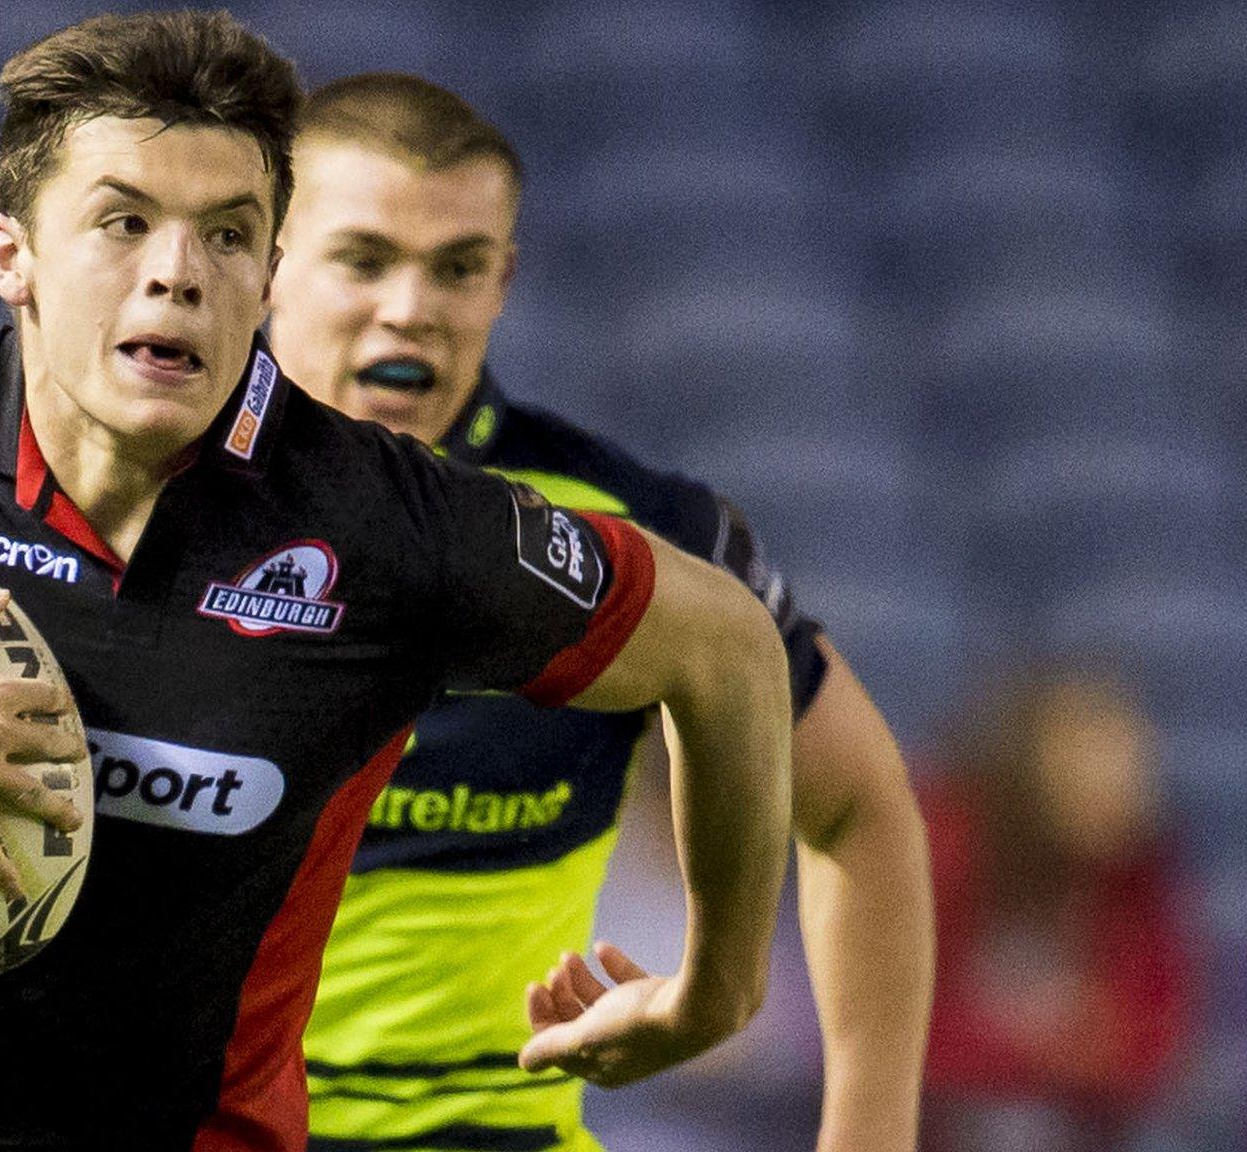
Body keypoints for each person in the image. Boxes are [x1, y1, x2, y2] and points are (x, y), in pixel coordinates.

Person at [0, 13, 797, 1151]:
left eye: (228, 235)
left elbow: (726, 647)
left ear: (268, 274)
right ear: (11, 256)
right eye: (123, 223)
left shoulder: (382, 523)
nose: (176, 274)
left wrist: (715, 992)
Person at [267, 74, 934, 1152]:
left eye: (457, 267)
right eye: (362, 257)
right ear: (262, 262)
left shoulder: (631, 530)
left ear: (503, 282)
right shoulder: (136, 500)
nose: (411, 308)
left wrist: (867, 1135)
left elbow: (857, 807)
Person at [923, 667, 1196, 1151]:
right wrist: (1058, 1043)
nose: (1117, 783)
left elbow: (1153, 1046)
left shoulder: (1136, 866)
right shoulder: (943, 841)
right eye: (1089, 761)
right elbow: (894, 1034)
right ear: (1031, 767)